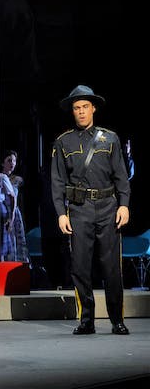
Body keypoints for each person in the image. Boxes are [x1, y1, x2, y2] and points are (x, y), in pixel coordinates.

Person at [51, 84, 131, 335]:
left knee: (111, 267)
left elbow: (121, 176)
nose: (81, 112)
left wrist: (124, 205)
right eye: (77, 108)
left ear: (93, 108)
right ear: (72, 111)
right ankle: (87, 320)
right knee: (80, 267)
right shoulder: (63, 142)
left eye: (85, 106)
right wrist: (61, 213)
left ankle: (117, 320)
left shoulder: (110, 138)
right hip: (79, 209)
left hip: (108, 207)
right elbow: (57, 181)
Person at [0, 150, 30, 263]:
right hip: (2, 211)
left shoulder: (17, 180)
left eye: (14, 161)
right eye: (9, 160)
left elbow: (18, 200)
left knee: (16, 240)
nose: (12, 163)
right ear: (2, 163)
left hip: (14, 212)